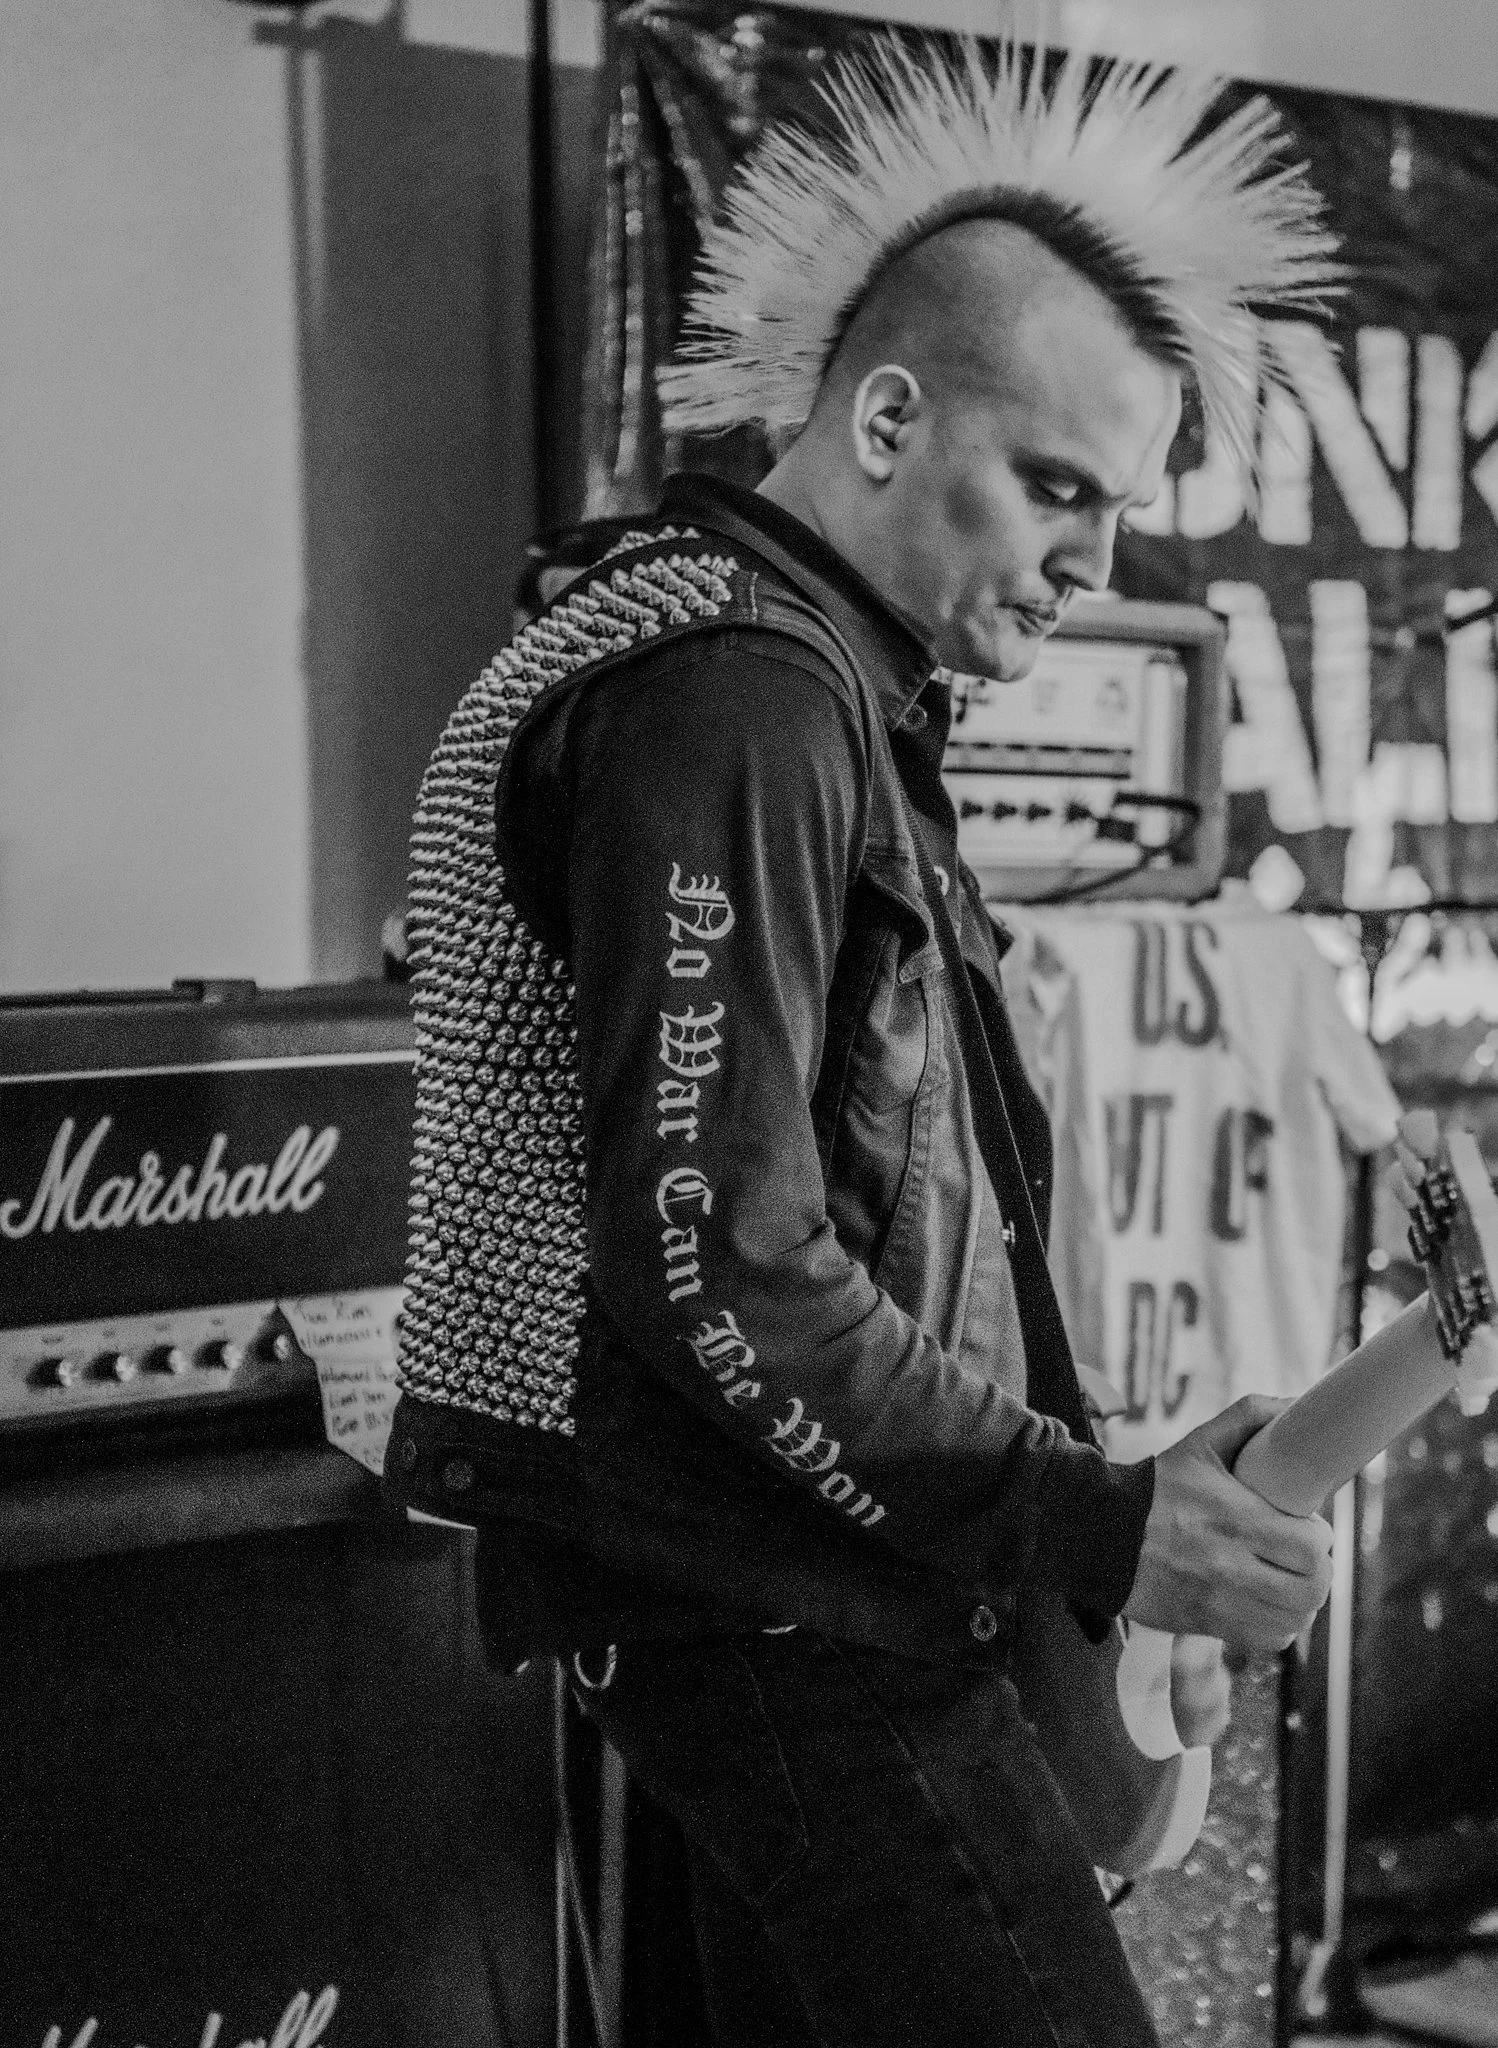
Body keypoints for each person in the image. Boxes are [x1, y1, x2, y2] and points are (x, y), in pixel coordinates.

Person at [386, 36, 1345, 2048]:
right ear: (890, 412)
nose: (1093, 569)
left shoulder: (805, 676)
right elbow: (720, 1262)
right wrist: (1096, 1514)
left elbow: (876, 1206)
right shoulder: (737, 694)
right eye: (1056, 486)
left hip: (796, 1572)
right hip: (778, 1603)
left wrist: (1096, 1478)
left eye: (1121, 507)